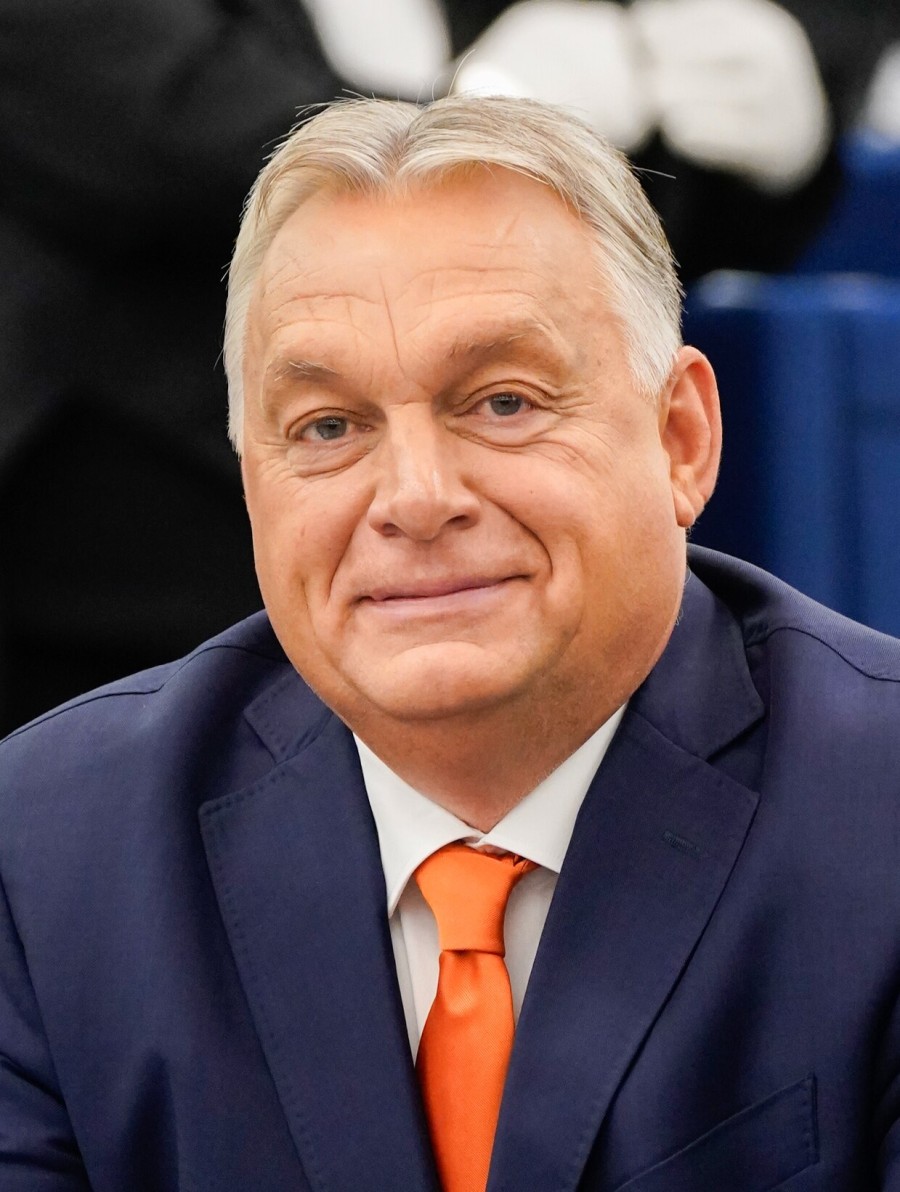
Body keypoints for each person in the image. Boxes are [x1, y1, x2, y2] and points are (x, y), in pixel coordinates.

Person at [2, 95, 900, 1191]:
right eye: (329, 427)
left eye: (503, 403)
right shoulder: (46, 855)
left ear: (681, 438)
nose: (415, 499)